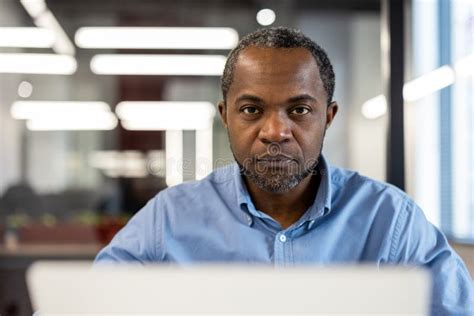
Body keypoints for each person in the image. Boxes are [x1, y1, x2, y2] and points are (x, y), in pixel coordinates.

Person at [95, 27, 473, 315]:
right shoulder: (169, 218)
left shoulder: (391, 220)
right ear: (225, 116)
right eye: (251, 110)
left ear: (328, 116)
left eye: (299, 110)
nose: (275, 132)